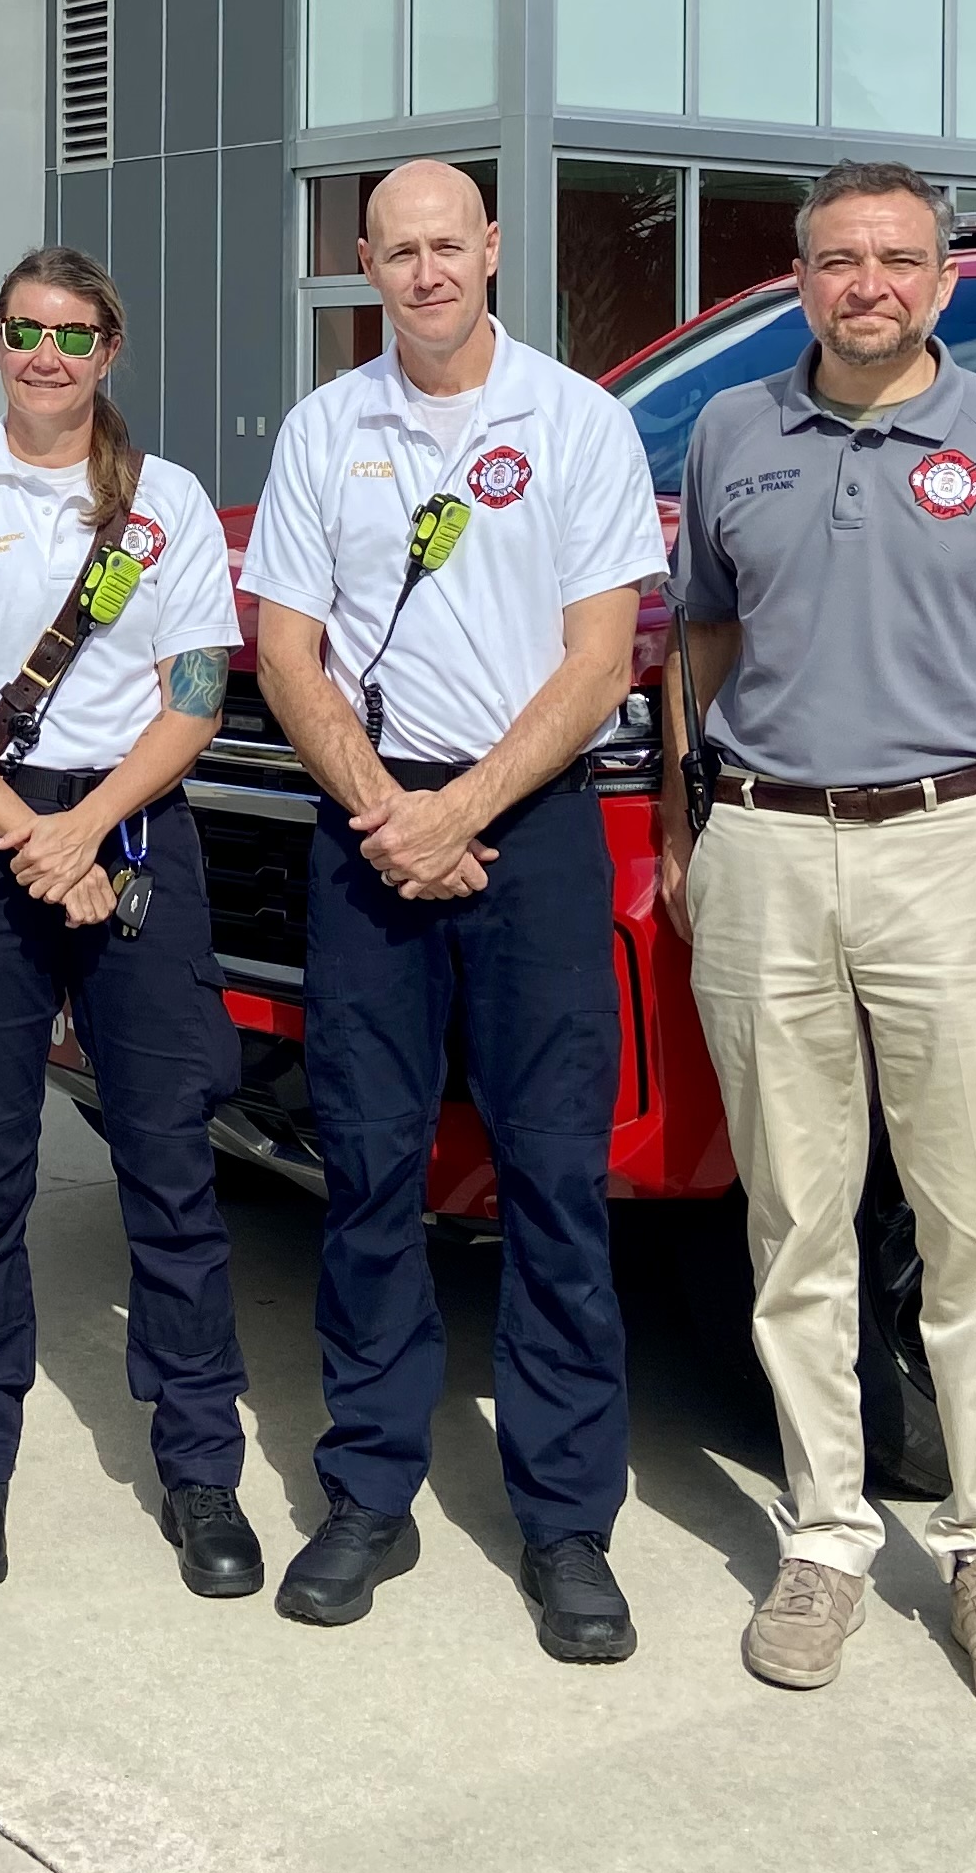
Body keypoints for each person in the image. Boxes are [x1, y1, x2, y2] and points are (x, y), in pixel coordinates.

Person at [658, 159, 976, 1725]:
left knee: (970, 1221)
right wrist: (687, 822)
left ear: (944, 281)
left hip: (954, 845)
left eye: (897, 259)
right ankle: (827, 1534)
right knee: (793, 1218)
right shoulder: (736, 432)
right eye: (838, 259)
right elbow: (703, 639)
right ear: (800, 276)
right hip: (769, 847)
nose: (868, 282)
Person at [238, 160, 666, 1663]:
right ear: (364, 261)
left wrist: (461, 812)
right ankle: (370, 1491)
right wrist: (386, 812)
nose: (424, 274)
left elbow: (601, 657)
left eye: (448, 246)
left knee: (554, 1181)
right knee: (365, 1172)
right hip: (372, 830)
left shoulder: (575, 422)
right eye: (397, 251)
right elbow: (286, 648)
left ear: (494, 250)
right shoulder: (322, 429)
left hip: (527, 829)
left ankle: (565, 1524)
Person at [0, 246, 260, 1599]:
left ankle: (202, 1470)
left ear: (110, 351)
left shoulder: (169, 505)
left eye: (72, 335)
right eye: (24, 331)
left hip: (135, 821)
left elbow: (195, 694)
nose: (46, 355)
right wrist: (33, 836)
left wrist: (89, 830)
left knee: (171, 1172)